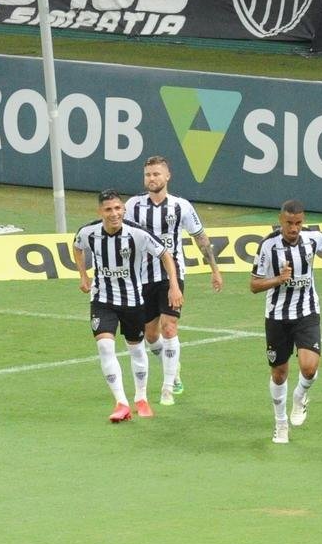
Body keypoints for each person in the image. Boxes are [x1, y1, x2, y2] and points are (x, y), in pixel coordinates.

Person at [73, 189, 183, 423]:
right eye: (108, 209)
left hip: (133, 301)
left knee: (136, 349)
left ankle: (141, 398)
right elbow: (77, 246)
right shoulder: (88, 232)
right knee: (104, 347)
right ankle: (121, 403)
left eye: (117, 208)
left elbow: (165, 255)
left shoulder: (138, 234)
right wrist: (83, 276)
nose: (114, 214)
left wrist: (174, 285)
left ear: (123, 209)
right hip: (102, 300)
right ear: (100, 212)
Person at [125, 156, 223, 406]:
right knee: (150, 335)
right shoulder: (133, 205)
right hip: (142, 277)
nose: (152, 179)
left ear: (167, 176)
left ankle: (168, 386)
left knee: (169, 327)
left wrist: (214, 269)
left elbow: (200, 237)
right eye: (148, 174)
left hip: (172, 276)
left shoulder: (181, 206)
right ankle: (173, 366)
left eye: (156, 174)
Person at [250, 200, 322, 444]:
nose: (294, 228)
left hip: (307, 312)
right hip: (277, 316)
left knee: (309, 367)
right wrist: (278, 279)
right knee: (279, 374)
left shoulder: (313, 239)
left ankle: (300, 396)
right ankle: (281, 424)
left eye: (298, 223)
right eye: (289, 223)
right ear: (281, 221)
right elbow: (254, 285)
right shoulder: (268, 245)